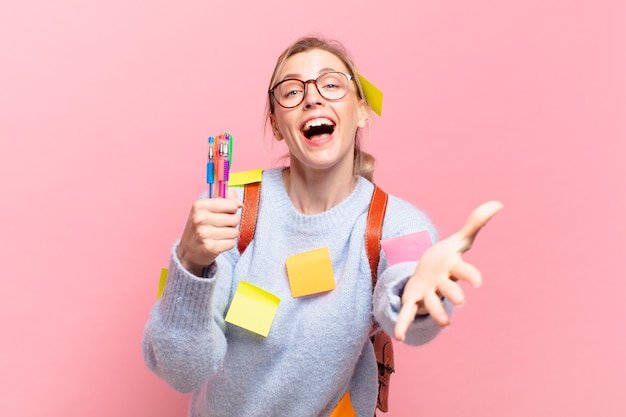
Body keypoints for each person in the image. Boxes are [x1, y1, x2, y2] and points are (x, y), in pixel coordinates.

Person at [143, 35, 502, 417]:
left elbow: (411, 307)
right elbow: (182, 371)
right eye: (292, 91)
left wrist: (418, 292)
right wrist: (190, 264)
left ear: (362, 110)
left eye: (331, 84)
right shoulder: (231, 207)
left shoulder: (396, 224)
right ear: (276, 124)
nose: (313, 98)